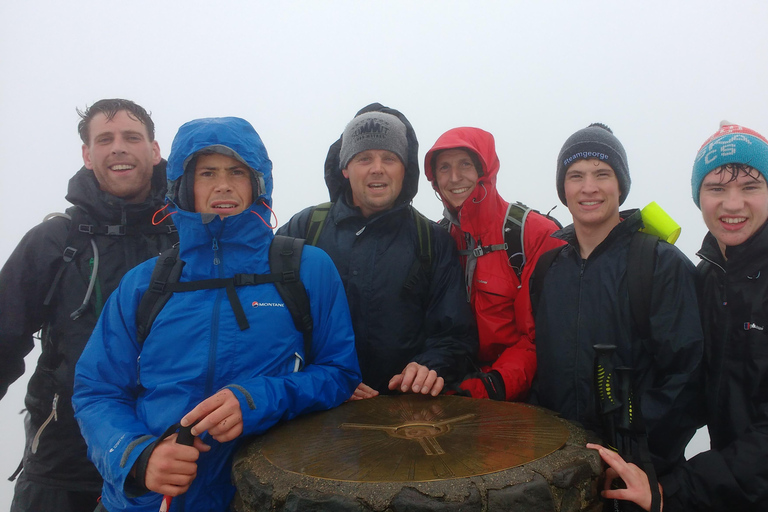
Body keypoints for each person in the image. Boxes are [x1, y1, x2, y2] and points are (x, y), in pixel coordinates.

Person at [72, 116, 361, 511]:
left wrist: (259, 398)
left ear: (257, 182)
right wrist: (137, 458)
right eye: (207, 172)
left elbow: (339, 373)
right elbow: (97, 391)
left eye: (237, 171)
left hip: (259, 497)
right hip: (147, 501)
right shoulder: (146, 282)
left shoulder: (305, 268)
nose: (223, 184)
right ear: (183, 185)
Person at [0, 99, 178, 512]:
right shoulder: (54, 241)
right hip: (64, 464)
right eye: (105, 139)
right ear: (87, 154)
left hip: (161, 459)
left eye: (132, 137)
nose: (118, 148)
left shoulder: (187, 239)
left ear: (154, 151)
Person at [589, 122, 768, 511]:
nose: (732, 204)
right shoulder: (706, 278)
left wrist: (675, 490)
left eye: (750, 187)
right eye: (716, 188)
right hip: (733, 489)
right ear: (698, 196)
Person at [529, 123, 703, 478]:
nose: (588, 187)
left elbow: (687, 379)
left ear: (620, 184)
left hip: (639, 472)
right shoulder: (548, 269)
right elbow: (543, 371)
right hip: (560, 467)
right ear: (563, 188)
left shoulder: (659, 263)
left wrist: (633, 453)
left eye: (602, 174)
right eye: (575, 175)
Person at [278, 103, 476, 400]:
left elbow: (454, 337)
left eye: (389, 158)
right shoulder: (304, 229)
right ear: (345, 168)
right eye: (364, 158)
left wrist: (429, 366)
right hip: (315, 408)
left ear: (404, 169)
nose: (377, 168)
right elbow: (270, 320)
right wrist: (325, 378)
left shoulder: (432, 240)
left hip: (405, 413)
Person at [423, 127, 564, 400]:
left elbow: (542, 337)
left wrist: (490, 386)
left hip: (520, 399)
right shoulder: (439, 240)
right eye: (444, 168)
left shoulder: (533, 234)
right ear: (434, 180)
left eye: (465, 164)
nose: (454, 177)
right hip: (454, 392)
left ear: (484, 170)